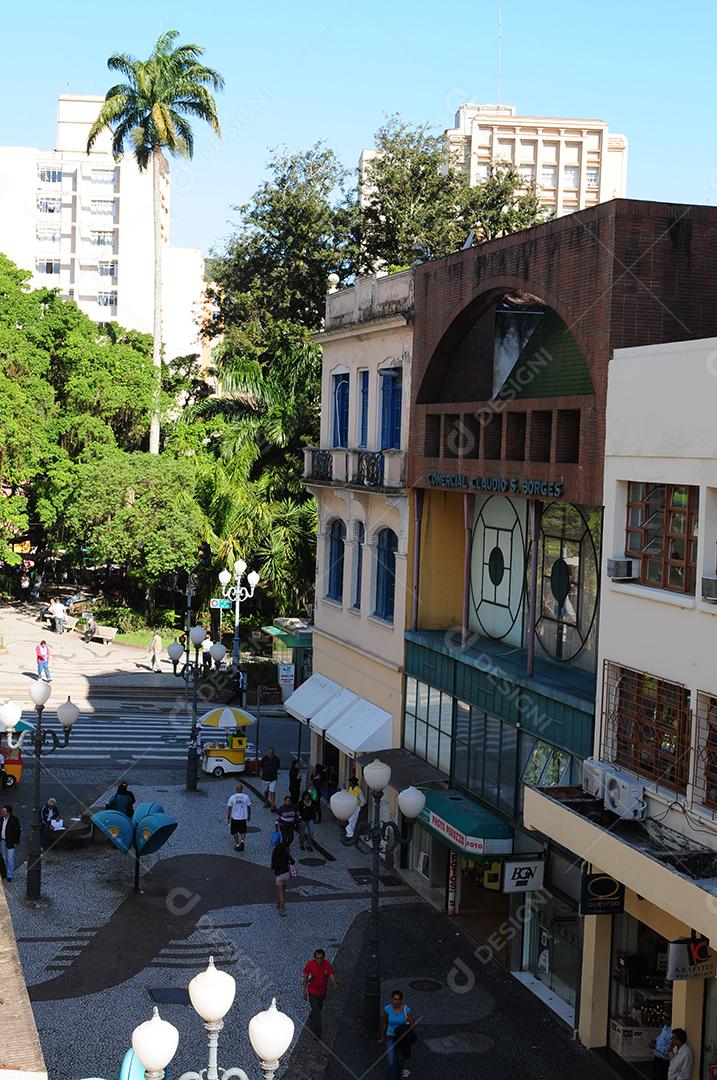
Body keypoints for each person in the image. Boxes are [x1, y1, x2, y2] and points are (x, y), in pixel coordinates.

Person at [303, 948, 337, 1039]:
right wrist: (305, 990)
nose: (319, 960)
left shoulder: (327, 965)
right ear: (315, 958)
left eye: (321, 958)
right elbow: (306, 976)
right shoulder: (310, 964)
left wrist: (334, 984)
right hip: (312, 992)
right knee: (317, 1012)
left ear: (323, 958)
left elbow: (331, 975)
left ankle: (312, 1015)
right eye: (317, 958)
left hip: (322, 992)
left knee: (318, 1008)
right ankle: (317, 1033)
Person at [380, 990, 414, 1080]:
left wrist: (406, 1031)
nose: (396, 1001)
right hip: (391, 1036)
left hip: (402, 1038)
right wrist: (382, 1037)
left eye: (398, 999)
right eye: (394, 999)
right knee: (390, 1062)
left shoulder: (406, 1010)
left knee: (400, 1060)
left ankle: (398, 1077)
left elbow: (412, 1025)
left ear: (401, 1000)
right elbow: (384, 1023)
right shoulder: (387, 1009)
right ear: (392, 999)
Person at [271, 840, 295, 916]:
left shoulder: (275, 855)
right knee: (283, 889)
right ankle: (279, 902)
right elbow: (293, 861)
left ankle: (282, 909)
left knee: (280, 893)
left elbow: (272, 867)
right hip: (286, 875)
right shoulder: (286, 854)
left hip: (279, 875)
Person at [227, 782, 252, 852]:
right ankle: (242, 841)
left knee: (235, 831)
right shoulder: (246, 797)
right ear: (242, 789)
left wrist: (228, 817)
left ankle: (237, 844)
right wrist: (249, 815)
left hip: (235, 817)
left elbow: (229, 808)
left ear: (236, 789)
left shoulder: (232, 797)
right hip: (243, 817)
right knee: (243, 831)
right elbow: (249, 807)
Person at [0, 805, 21, 882]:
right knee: (4, 858)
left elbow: (17, 831)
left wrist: (16, 842)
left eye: (4, 811)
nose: (2, 812)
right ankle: (5, 873)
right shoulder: (1, 819)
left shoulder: (14, 820)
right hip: (2, 841)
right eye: (2, 810)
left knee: (10, 859)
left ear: (8, 812)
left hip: (10, 842)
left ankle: (10, 875)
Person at [651, 1006, 672, 1080]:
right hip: (657, 1058)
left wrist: (655, 1046)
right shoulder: (665, 1027)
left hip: (663, 1062)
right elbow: (660, 1038)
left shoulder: (672, 1032)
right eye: (664, 1017)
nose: (664, 1020)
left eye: (667, 1018)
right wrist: (655, 1040)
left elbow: (667, 1049)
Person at [345, 774, 366, 839]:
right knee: (349, 820)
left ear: (353, 783)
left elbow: (363, 801)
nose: (349, 784)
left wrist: (359, 806)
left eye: (350, 782)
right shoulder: (350, 788)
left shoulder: (358, 790)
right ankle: (349, 833)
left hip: (356, 807)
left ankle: (350, 835)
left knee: (352, 820)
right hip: (350, 806)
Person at [261, 747, 280, 812]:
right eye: (270, 752)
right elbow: (262, 766)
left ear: (274, 753)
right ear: (268, 752)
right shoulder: (264, 759)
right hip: (265, 778)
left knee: (272, 791)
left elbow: (277, 766)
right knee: (265, 791)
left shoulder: (276, 759)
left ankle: (272, 805)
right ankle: (266, 801)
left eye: (272, 753)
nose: (271, 754)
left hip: (273, 778)